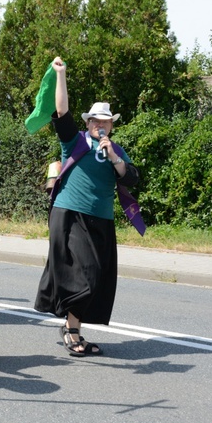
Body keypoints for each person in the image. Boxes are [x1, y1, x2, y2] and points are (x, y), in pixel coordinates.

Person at [34, 57, 139, 357]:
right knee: (84, 274)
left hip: (101, 219)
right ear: (88, 123)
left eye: (105, 122)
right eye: (95, 121)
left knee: (97, 278)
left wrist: (115, 157)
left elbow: (130, 178)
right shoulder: (75, 142)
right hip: (71, 214)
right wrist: (61, 75)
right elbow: (61, 111)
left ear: (111, 126)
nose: (99, 125)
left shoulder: (116, 150)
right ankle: (72, 329)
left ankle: (72, 325)